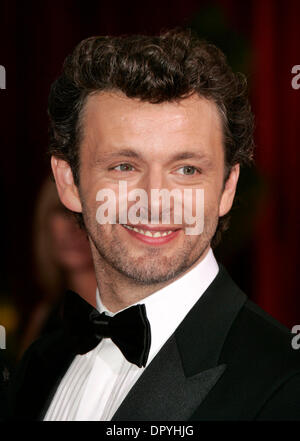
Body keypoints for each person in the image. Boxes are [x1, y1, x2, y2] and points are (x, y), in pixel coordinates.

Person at [9, 29, 300, 421]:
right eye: (124, 166)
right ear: (69, 182)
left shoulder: (285, 383)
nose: (155, 199)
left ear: (227, 187)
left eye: (186, 169)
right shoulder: (37, 367)